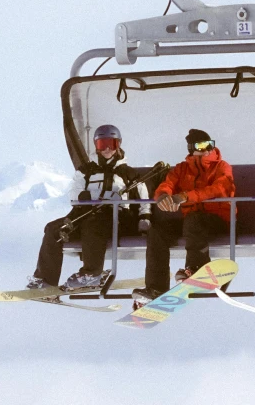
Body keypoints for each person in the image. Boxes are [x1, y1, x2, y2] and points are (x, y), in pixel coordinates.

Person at [28, 124, 151, 290]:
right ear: (96, 146)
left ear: (118, 144)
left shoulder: (128, 173)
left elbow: (144, 198)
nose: (107, 149)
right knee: (53, 229)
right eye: (102, 144)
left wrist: (145, 218)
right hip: (85, 215)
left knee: (94, 222)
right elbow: (75, 193)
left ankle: (91, 274)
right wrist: (89, 197)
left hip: (116, 219)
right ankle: (46, 281)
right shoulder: (86, 171)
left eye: (111, 144)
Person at [132, 129, 235, 307]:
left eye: (209, 144)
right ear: (190, 148)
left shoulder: (221, 167)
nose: (206, 149)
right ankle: (156, 288)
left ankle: (196, 268)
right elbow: (167, 184)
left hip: (217, 219)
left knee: (194, 220)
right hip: (192, 222)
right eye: (201, 146)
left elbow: (217, 189)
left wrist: (185, 197)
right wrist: (163, 195)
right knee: (158, 231)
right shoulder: (182, 169)